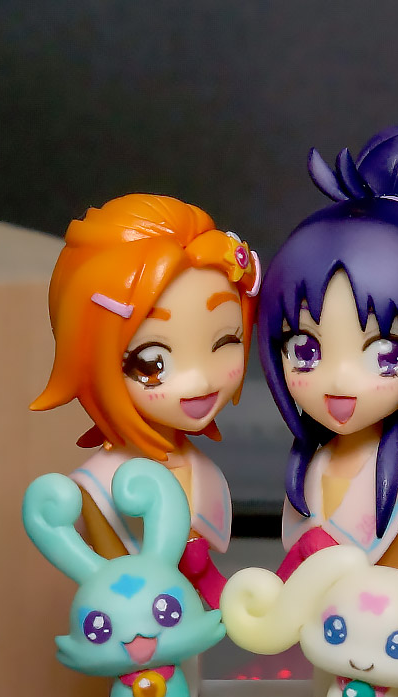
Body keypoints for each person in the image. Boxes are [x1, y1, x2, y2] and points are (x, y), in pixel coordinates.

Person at [258, 126, 398, 578]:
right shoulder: (311, 469)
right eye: (304, 349)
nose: (339, 380)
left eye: (385, 355)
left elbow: (392, 586)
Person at [31, 193, 260, 610]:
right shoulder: (98, 488)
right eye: (153, 361)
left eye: (225, 341)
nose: (199, 380)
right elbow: (116, 590)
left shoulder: (199, 468)